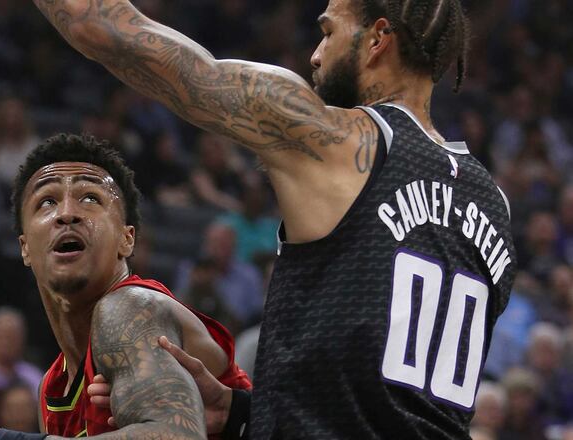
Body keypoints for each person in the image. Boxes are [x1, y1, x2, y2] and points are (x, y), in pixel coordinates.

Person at [26, 0, 516, 437]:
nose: (316, 56)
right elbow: (399, 399)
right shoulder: (495, 203)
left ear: (377, 39)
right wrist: (242, 412)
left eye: (327, 32)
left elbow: (104, 27)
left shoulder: (332, 141)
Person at [0, 134, 252, 439]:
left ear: (127, 240)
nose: (67, 213)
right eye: (46, 202)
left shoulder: (133, 308)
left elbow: (176, 436)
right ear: (25, 247)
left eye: (91, 198)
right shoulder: (51, 386)